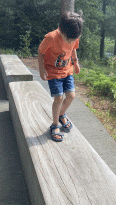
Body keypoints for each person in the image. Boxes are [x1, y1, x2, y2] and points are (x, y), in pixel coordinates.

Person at [38, 11, 83, 142]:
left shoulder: (74, 36)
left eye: (73, 39)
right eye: (68, 39)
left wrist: (76, 63)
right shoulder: (51, 38)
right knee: (58, 97)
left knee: (71, 95)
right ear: (61, 29)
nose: (70, 41)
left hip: (67, 70)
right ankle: (55, 124)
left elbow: (73, 48)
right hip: (53, 71)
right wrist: (41, 70)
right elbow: (40, 53)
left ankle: (61, 114)